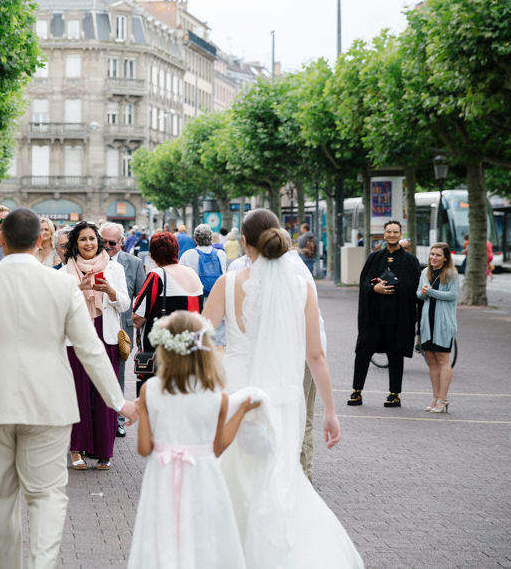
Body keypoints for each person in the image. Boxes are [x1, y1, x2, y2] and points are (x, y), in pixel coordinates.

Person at [0, 208, 140, 569]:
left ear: (0, 239)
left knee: (0, 499)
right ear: (40, 241)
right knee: (48, 496)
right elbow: (90, 349)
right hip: (50, 403)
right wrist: (119, 402)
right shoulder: (62, 284)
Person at [201, 208, 363, 568]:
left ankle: (235, 553)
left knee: (234, 473)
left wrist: (220, 353)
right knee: (280, 476)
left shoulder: (228, 284)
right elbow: (315, 354)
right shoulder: (302, 286)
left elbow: (199, 334)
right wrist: (331, 412)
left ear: (243, 243)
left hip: (237, 387)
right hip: (286, 395)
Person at [127, 311, 256, 569]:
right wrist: (240, 411)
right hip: (203, 476)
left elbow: (143, 449)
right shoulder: (217, 396)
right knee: (202, 535)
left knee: (162, 534)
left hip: (162, 476)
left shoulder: (150, 390)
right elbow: (217, 448)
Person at [226, 242, 329, 481]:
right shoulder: (242, 269)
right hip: (272, 355)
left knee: (300, 414)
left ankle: (301, 472)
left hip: (296, 353)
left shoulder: (294, 272)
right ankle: (282, 471)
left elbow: (312, 328)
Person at [61, 221, 130, 470]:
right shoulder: (63, 272)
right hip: (76, 337)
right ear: (75, 244)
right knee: (77, 393)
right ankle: (76, 449)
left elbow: (124, 303)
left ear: (98, 240)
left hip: (106, 334)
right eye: (82, 239)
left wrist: (110, 292)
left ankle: (104, 451)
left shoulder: (115, 268)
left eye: (92, 238)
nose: (88, 243)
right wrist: (77, 289)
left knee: (105, 393)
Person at [349, 220, 421, 409]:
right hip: (373, 317)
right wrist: (375, 288)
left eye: (395, 232)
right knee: (363, 351)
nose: (392, 235)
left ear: (400, 234)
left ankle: (394, 394)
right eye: (388, 231)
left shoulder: (411, 261)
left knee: (395, 355)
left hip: (397, 318)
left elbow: (415, 289)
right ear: (384, 234)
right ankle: (357, 391)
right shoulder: (374, 258)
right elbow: (364, 285)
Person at [131, 232, 203, 395]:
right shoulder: (192, 274)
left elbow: (137, 317)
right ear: (177, 251)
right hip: (191, 348)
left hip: (162, 352)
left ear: (152, 254)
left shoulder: (157, 275)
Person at [99, 222, 145, 438]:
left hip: (122, 329)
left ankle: (116, 420)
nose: (107, 246)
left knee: (117, 374)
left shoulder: (133, 263)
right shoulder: (92, 260)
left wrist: (137, 325)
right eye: (103, 242)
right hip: (96, 325)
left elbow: (141, 297)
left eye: (112, 243)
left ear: (122, 242)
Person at [418, 243, 458, 414]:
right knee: (431, 360)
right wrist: (423, 292)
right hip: (428, 323)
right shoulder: (424, 272)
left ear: (445, 258)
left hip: (443, 324)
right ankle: (435, 398)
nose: (433, 258)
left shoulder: (451, 274)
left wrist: (431, 292)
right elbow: (418, 294)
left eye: (438, 255)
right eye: (432, 254)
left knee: (442, 359)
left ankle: (443, 398)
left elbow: (453, 295)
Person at [178, 224, 227, 301]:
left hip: (196, 297)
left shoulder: (188, 254)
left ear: (195, 238)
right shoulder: (221, 254)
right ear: (211, 237)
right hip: (217, 296)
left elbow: (180, 276)